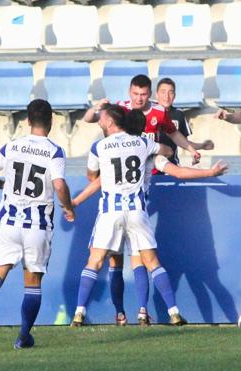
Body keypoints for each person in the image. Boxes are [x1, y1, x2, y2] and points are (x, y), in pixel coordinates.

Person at [71, 104, 227, 327]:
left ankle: (79, 313)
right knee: (151, 262)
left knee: (95, 261)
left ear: (113, 122)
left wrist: (76, 201)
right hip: (137, 211)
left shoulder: (100, 146)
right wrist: (209, 172)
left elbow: (92, 177)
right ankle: (171, 312)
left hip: (110, 212)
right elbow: (175, 164)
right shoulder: (145, 145)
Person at [83, 74, 202, 325]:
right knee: (134, 256)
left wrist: (191, 149)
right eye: (135, 94)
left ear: (150, 94)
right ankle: (135, 311)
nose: (139, 98)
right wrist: (96, 109)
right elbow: (91, 119)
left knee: (129, 255)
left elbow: (174, 134)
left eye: (143, 94)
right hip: (130, 185)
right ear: (129, 92)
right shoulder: (120, 109)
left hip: (141, 181)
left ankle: (134, 310)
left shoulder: (159, 113)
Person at [0, 99, 75, 349]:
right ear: (51, 122)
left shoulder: (12, 146)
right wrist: (67, 206)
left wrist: (1, 184)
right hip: (37, 225)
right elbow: (60, 184)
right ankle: (23, 337)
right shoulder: (54, 150)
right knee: (32, 284)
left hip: (8, 222)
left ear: (28, 121)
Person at [156, 77, 214, 165]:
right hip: (150, 167)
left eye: (170, 92)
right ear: (156, 95)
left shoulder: (178, 115)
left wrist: (201, 147)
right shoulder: (147, 113)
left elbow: (184, 143)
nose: (167, 96)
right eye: (163, 92)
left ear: (174, 95)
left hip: (172, 166)